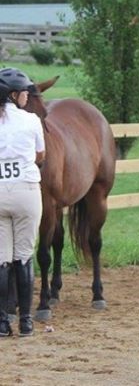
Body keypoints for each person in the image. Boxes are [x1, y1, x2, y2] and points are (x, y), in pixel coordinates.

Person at [0, 67, 45, 337]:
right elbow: (40, 155)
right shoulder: (31, 121)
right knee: (24, 257)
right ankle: (26, 321)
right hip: (26, 192)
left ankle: (3, 321)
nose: (27, 95)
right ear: (14, 94)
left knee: (2, 260)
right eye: (24, 91)